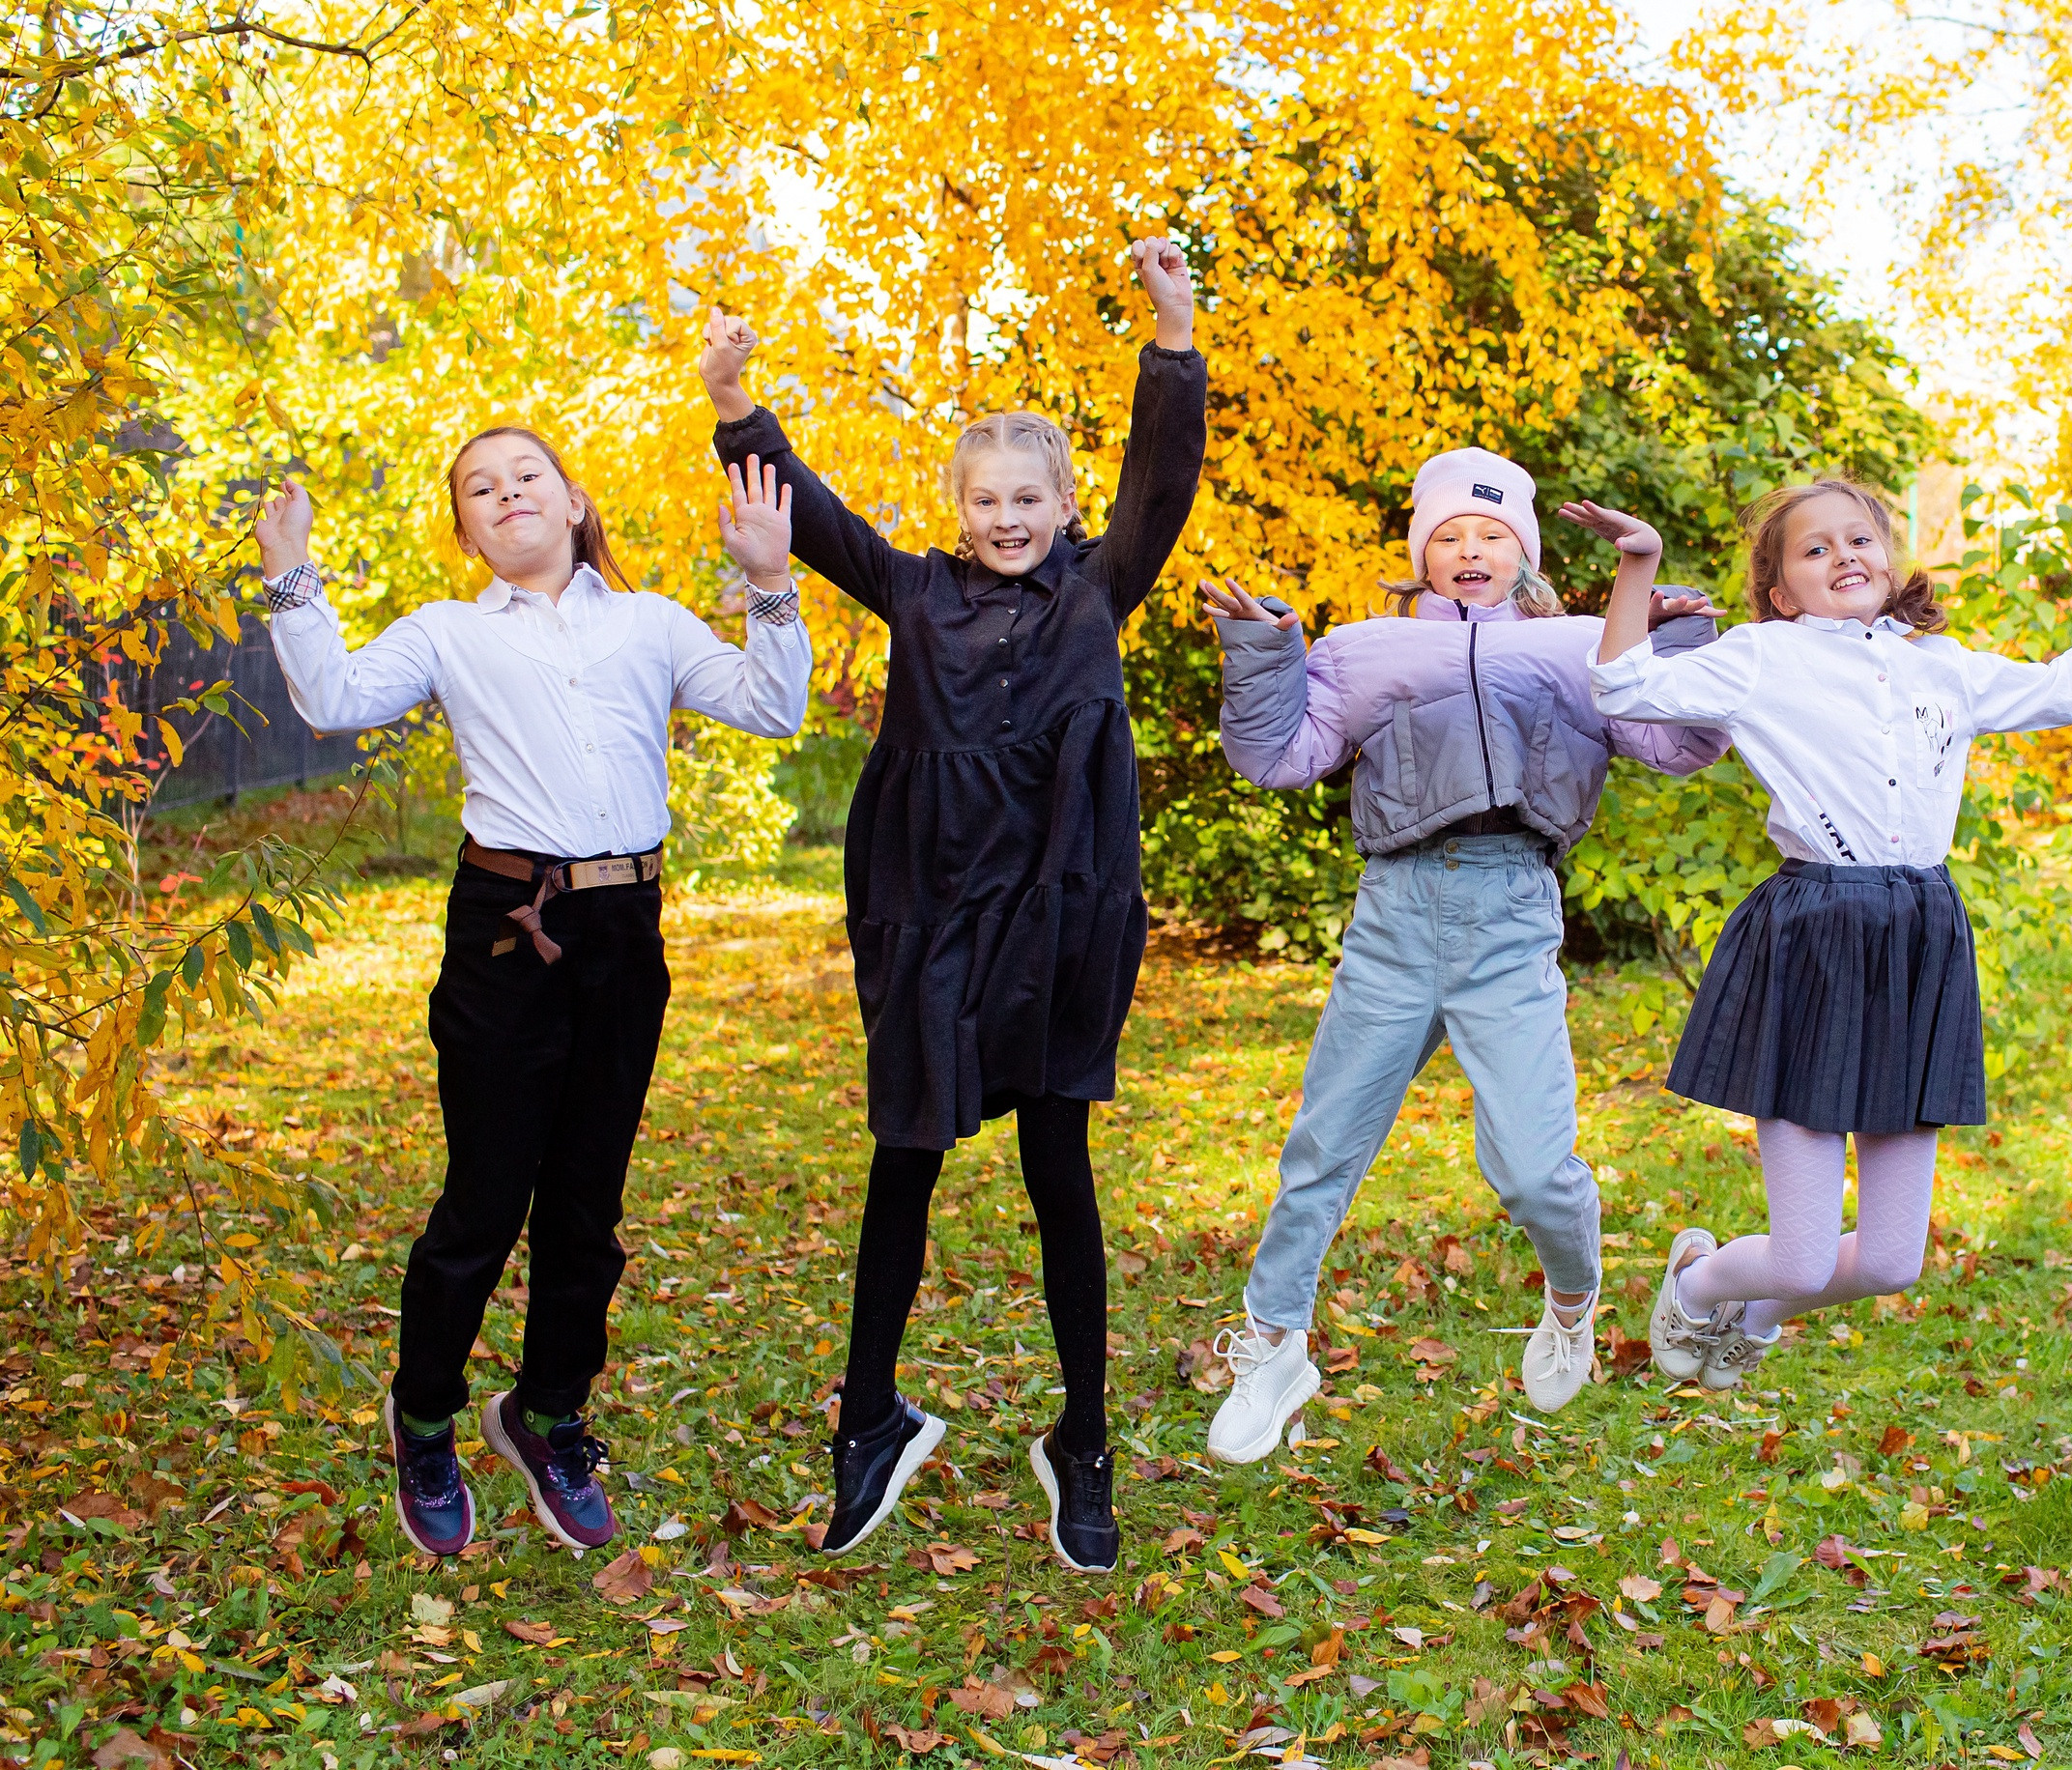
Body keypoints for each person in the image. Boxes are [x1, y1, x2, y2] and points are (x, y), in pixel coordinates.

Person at [695, 239, 1205, 1574]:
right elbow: (806, 511)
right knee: (902, 1160)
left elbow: (1163, 485)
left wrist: (1172, 332)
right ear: (959, 504)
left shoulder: (1097, 588)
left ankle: (1081, 1439)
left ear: (1060, 502)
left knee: (1060, 1173)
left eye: (1028, 496)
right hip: (929, 918)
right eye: (984, 497)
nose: (1005, 515)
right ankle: (868, 1420)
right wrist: (734, 406)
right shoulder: (915, 590)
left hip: (1055, 918)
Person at [250, 432, 812, 1556]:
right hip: (509, 932)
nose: (507, 492)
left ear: (572, 500)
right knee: (485, 1198)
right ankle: (424, 1418)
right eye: (479, 486)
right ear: (467, 531)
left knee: (587, 1205)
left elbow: (770, 706)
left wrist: (768, 582)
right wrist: (292, 578)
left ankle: (549, 1412)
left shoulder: (648, 622)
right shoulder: (451, 632)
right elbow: (335, 696)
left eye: (526, 476)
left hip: (624, 933)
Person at [1579, 478, 2072, 1389]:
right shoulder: (1762, 656)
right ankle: (1700, 1285)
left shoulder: (1940, 665)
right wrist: (1640, 563)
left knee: (1895, 1261)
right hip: (1815, 938)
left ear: (1888, 558)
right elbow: (1623, 684)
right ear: (1782, 590)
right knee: (1800, 1256)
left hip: (1919, 940)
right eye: (1815, 550)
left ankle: (1757, 1317)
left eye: (1858, 539)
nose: (1844, 557)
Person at [1196, 449, 1731, 1464]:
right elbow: (1275, 756)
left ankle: (1570, 1297)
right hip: (1394, 913)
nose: (1469, 549)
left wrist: (1684, 642)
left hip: (1509, 912)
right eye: (1447, 535)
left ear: (1522, 551)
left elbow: (1677, 748)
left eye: (1489, 533)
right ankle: (1272, 1342)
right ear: (1421, 556)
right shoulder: (1367, 648)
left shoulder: (1584, 644)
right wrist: (1264, 653)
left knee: (1535, 1169)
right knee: (1321, 1148)